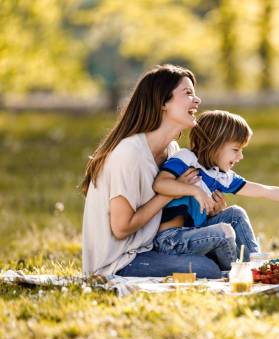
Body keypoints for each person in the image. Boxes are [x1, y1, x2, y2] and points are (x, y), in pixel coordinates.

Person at [81, 64, 224, 279]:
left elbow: (174, 217)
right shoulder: (129, 154)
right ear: (163, 103)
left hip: (155, 245)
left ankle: (260, 269)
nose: (197, 100)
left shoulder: (172, 151)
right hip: (121, 261)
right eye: (187, 93)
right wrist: (171, 192)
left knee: (232, 219)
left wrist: (210, 208)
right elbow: (121, 227)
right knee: (208, 268)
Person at [152, 110, 279, 265]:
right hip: (171, 239)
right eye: (236, 149)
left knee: (235, 214)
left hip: (196, 234)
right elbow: (160, 184)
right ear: (214, 145)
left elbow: (264, 191)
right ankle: (243, 271)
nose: (240, 157)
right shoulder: (186, 159)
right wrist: (195, 190)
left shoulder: (220, 175)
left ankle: (257, 263)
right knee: (224, 232)